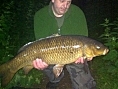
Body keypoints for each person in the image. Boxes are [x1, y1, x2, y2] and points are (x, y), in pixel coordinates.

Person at [33, 0, 96, 89]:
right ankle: (55, 79)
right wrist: (40, 62)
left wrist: (85, 56)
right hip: (50, 53)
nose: (65, 5)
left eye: (68, 2)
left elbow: (84, 40)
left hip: (73, 53)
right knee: (43, 62)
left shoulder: (77, 13)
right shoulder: (40, 15)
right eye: (62, 1)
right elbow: (40, 44)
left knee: (81, 72)